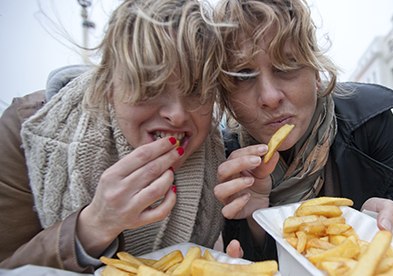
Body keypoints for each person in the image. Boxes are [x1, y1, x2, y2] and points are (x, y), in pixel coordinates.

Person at [210, 0, 393, 261]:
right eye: (243, 76)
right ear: (226, 96)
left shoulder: (369, 121)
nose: (269, 97)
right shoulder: (223, 157)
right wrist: (256, 223)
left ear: (315, 71)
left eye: (286, 66)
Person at [0, 0, 225, 272]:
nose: (177, 115)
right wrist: (94, 226)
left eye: (196, 90)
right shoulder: (24, 133)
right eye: (151, 86)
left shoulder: (221, 154)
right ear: (108, 86)